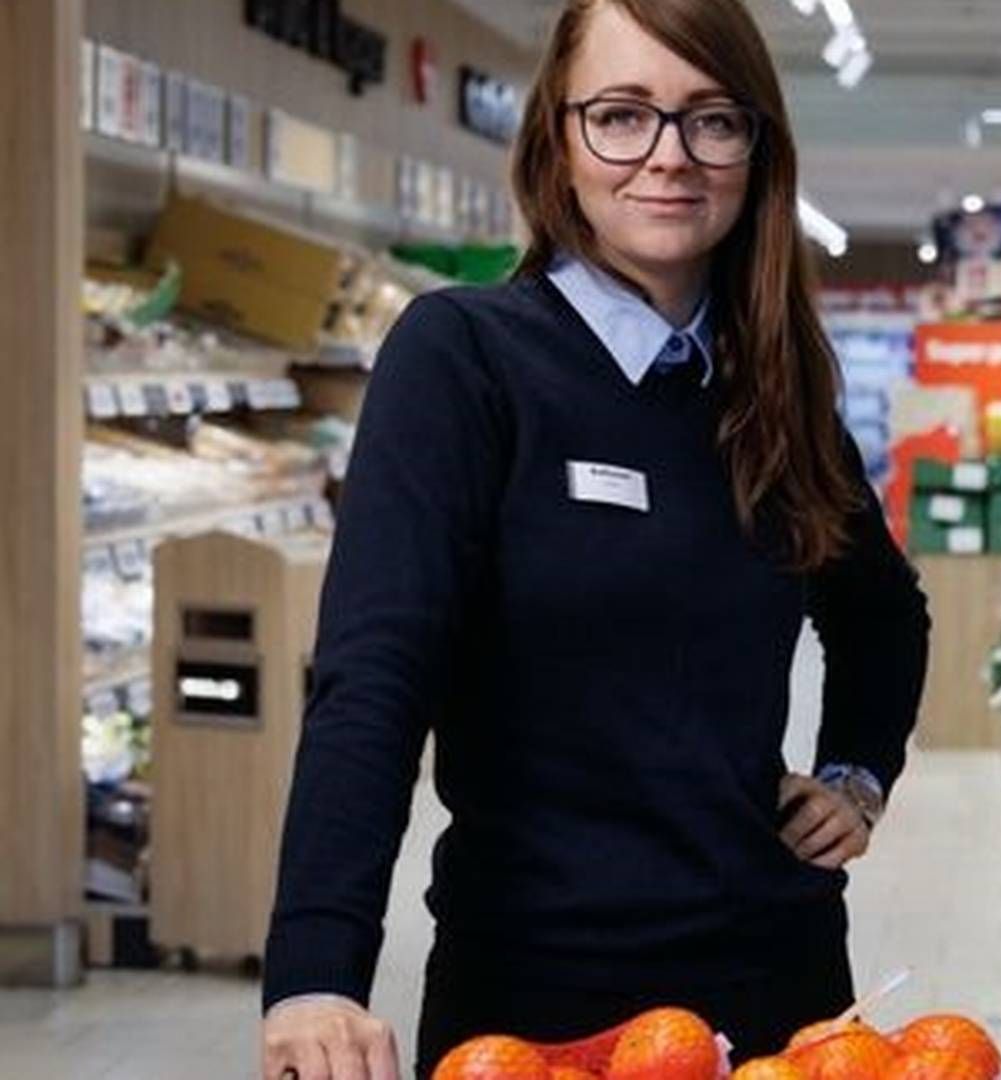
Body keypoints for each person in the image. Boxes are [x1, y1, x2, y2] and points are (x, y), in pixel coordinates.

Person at [258, 1, 930, 1076]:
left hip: (781, 983)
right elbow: (375, 677)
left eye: (712, 120)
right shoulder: (466, 360)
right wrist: (314, 970)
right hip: (537, 999)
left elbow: (883, 614)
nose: (668, 157)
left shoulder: (776, 393)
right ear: (557, 142)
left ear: (756, 151)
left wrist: (857, 774)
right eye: (622, 115)